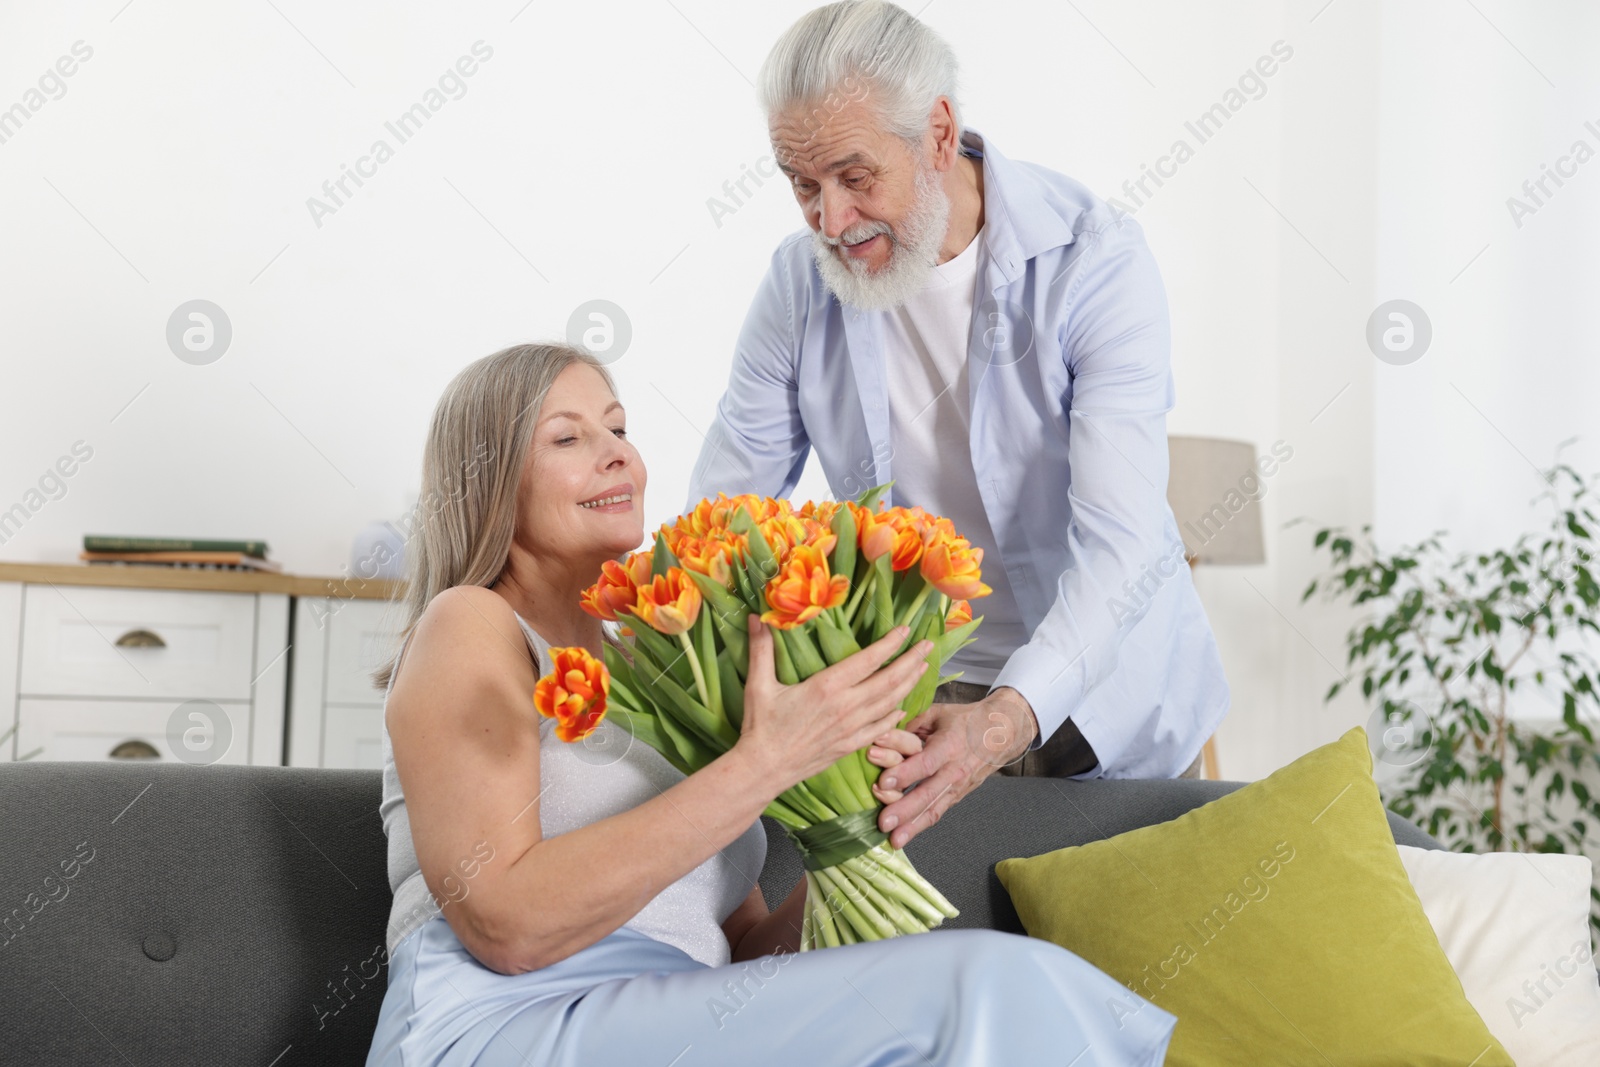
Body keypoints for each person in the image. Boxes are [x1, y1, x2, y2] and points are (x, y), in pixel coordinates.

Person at [363, 342, 1176, 1066]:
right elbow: (505, 924)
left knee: (992, 999)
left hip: (677, 1015)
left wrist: (859, 825)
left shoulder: (662, 659)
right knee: (993, 985)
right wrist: (766, 761)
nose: (615, 455)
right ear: (489, 479)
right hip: (512, 1020)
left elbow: (743, 947)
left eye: (618, 428)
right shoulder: (471, 622)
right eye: (568, 438)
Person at [685, 1, 1231, 853]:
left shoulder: (1095, 262)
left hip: (1103, 693)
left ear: (939, 133)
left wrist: (1006, 719)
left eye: (855, 176)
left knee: (1119, 958)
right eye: (802, 184)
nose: (830, 221)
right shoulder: (798, 285)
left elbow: (1120, 548)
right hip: (915, 695)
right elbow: (723, 515)